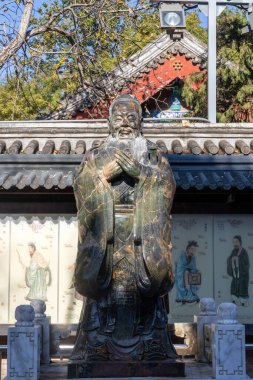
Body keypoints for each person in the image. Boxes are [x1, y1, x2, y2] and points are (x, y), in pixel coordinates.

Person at [71, 94, 176, 362]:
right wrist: (101, 175)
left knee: (145, 289)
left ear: (140, 121)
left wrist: (143, 173)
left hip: (144, 235)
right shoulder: (95, 155)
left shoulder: (153, 153)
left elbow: (166, 186)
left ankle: (151, 343)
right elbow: (81, 188)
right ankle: (96, 345)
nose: (125, 123)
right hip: (106, 237)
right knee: (102, 294)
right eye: (119, 118)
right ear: (109, 121)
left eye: (132, 118)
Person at [227, 235, 250, 306]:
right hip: (235, 275)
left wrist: (243, 272)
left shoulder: (244, 252)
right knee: (234, 287)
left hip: (243, 276)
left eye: (236, 242)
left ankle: (243, 302)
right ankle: (234, 300)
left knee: (243, 289)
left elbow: (247, 264)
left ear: (240, 242)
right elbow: (229, 259)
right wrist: (231, 260)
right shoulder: (233, 251)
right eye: (233, 242)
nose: (235, 244)